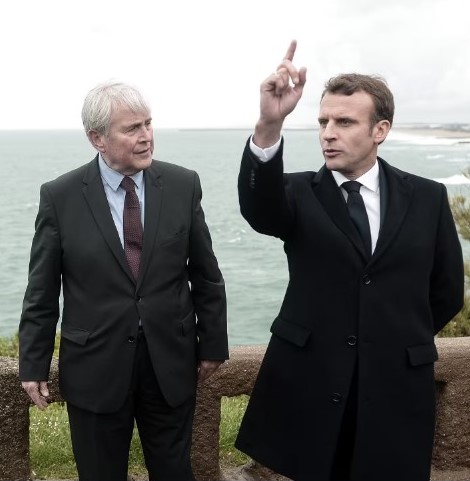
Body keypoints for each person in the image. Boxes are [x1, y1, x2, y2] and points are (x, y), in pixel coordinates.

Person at [235, 40, 464, 481]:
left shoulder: (427, 197)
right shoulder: (296, 193)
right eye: (323, 121)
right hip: (312, 385)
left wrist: (390, 337)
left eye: (344, 122)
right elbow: (258, 208)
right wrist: (269, 123)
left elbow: (447, 289)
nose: (328, 133)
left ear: (380, 130)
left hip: (395, 388)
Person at [19, 81, 229, 481]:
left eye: (148, 123)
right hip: (94, 368)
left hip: (170, 363)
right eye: (132, 128)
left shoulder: (183, 184)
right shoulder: (60, 197)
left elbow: (205, 273)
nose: (146, 136)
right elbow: (41, 291)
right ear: (97, 138)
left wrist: (213, 343)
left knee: (175, 472)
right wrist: (33, 363)